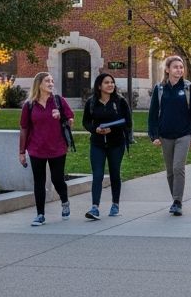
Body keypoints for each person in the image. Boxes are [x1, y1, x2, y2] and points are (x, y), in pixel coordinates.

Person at [147, 54, 191, 216]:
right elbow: (152, 115)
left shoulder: (187, 87)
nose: (179, 69)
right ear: (167, 70)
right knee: (170, 171)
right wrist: (154, 135)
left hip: (184, 134)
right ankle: (175, 199)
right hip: (165, 135)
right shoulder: (160, 89)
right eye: (175, 67)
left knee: (178, 167)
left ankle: (177, 201)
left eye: (181, 67)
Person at [18, 71, 74, 226]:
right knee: (39, 182)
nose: (51, 83)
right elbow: (24, 129)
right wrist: (22, 152)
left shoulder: (58, 101)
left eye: (52, 81)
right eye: (47, 81)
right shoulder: (29, 105)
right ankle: (40, 215)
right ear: (39, 84)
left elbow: (70, 121)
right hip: (36, 148)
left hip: (57, 147)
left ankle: (64, 201)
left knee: (57, 179)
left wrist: (61, 116)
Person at [82, 72, 133, 220]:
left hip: (116, 143)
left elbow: (127, 122)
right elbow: (86, 122)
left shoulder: (120, 102)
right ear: (99, 86)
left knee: (114, 173)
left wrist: (113, 129)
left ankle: (115, 204)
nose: (110, 85)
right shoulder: (91, 102)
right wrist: (95, 129)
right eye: (106, 82)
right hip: (97, 143)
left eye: (112, 82)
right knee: (97, 175)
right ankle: (95, 208)